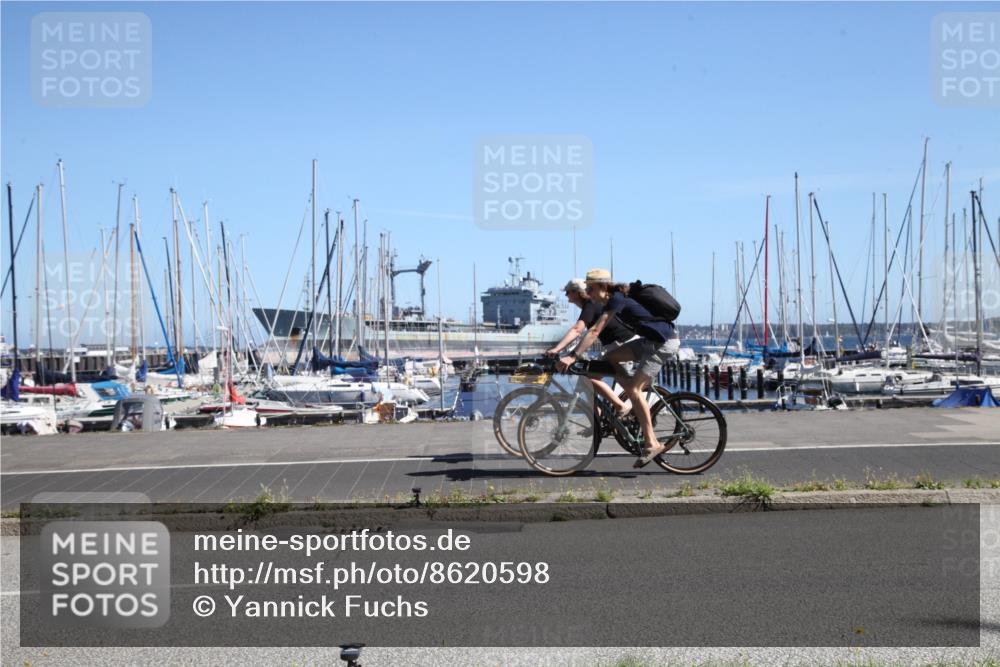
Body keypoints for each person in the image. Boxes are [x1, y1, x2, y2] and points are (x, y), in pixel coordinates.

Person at [557, 268, 680, 467]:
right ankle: (629, 397)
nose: (587, 293)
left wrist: (572, 356)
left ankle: (652, 443)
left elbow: (594, 331)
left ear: (602, 287)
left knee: (634, 390)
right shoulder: (612, 300)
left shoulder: (616, 299)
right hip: (649, 341)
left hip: (663, 343)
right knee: (609, 358)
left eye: (590, 289)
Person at [546, 278, 637, 410]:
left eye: (567, 292)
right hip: (613, 346)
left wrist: (558, 349)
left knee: (589, 378)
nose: (566, 295)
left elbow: (577, 330)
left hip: (621, 345)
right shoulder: (590, 305)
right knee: (588, 379)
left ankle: (621, 407)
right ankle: (597, 418)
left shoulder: (591, 305)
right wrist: (565, 351)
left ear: (576, 292)